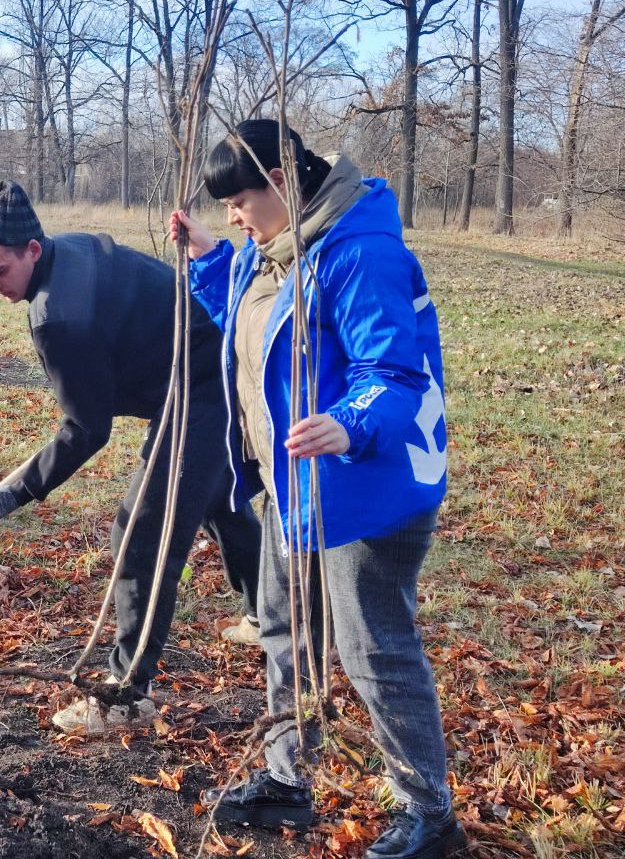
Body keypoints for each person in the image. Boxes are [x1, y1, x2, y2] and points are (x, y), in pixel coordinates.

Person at [172, 120, 461, 859]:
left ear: (283, 180)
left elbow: (393, 373)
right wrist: (211, 261)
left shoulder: (359, 252)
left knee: (373, 646)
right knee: (285, 631)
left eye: (240, 201)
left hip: (367, 484)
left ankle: (429, 811)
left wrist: (346, 421)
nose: (233, 216)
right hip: (290, 485)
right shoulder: (267, 253)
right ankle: (285, 781)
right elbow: (252, 324)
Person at [0, 180, 262, 736]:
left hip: (204, 380)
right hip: (215, 361)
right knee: (217, 498)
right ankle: (273, 617)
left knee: (142, 531)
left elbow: (85, 429)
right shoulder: (66, 252)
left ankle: (126, 694)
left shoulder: (59, 316)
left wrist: (17, 490)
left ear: (33, 249)